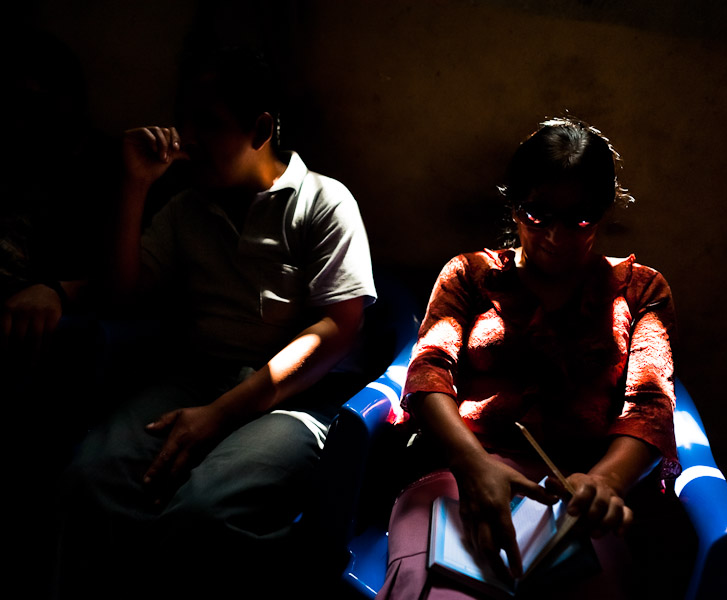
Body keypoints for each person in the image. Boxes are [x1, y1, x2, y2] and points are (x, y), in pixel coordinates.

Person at [55, 47, 376, 599]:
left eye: (209, 123)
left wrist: (220, 415)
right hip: (197, 377)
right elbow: (120, 295)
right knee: (89, 481)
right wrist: (135, 185)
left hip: (293, 402)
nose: (188, 138)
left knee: (204, 513)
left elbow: (337, 329)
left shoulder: (323, 203)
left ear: (262, 128)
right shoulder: (187, 208)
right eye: (185, 120)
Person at [376, 118, 680, 599]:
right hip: (458, 472)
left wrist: (603, 483)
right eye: (537, 214)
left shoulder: (641, 291)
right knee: (444, 587)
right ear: (514, 206)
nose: (555, 237)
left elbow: (649, 406)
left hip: (575, 492)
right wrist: (473, 465)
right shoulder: (470, 275)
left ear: (603, 212)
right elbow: (430, 371)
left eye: (579, 218)